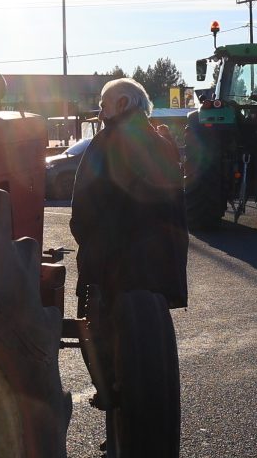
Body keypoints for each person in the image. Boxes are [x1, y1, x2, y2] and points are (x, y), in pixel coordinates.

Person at [69, 76, 190, 393]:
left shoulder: (107, 141)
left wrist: (89, 247)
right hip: (161, 269)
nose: (99, 114)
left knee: (101, 334)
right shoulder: (164, 144)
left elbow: (82, 205)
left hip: (113, 267)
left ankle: (109, 390)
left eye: (103, 105)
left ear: (122, 104)